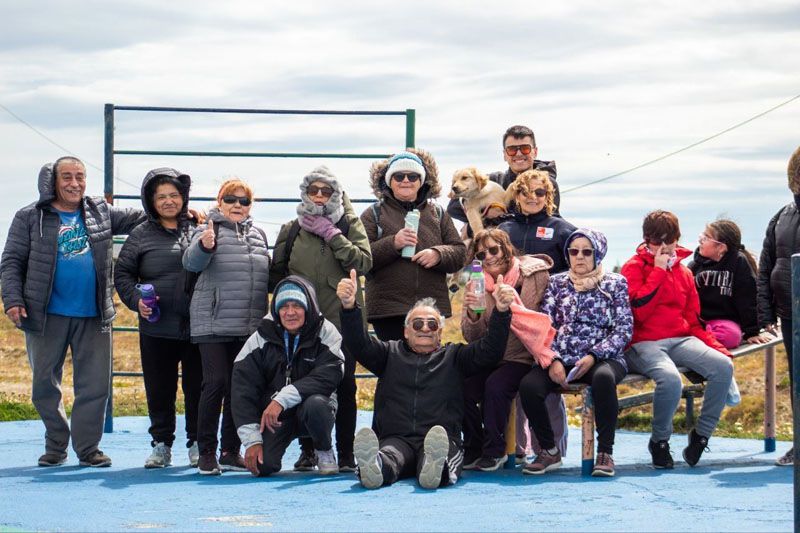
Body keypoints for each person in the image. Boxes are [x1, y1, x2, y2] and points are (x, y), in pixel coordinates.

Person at [0, 157, 145, 467]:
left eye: (80, 176)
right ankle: (56, 443)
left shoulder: (99, 212)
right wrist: (13, 299)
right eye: (67, 177)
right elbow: (12, 261)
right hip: (44, 314)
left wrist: (178, 210)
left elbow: (138, 218)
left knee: (94, 386)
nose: (75, 183)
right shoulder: (29, 216)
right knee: (43, 385)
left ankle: (88, 448)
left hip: (93, 315)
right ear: (52, 181)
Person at [337, 269, 515, 489]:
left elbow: (491, 351)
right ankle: (374, 466)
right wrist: (349, 306)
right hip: (396, 438)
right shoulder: (388, 354)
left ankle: (435, 468)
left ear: (439, 332)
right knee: (389, 457)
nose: (424, 329)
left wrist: (501, 311)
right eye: (417, 324)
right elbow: (359, 344)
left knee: (440, 456)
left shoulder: (455, 357)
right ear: (406, 331)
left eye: (432, 324)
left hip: (439, 439)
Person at [270, 165, 372, 472]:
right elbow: (277, 274)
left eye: (325, 191)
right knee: (305, 384)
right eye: (313, 190)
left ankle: (345, 453)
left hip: (343, 321)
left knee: (345, 386)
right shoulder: (292, 229)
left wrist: (333, 235)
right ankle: (310, 449)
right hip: (303, 325)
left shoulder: (348, 223)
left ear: (335, 194)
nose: (318, 196)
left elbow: (363, 262)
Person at [622, 210, 734, 469]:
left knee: (722, 366)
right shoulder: (633, 268)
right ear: (645, 240)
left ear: (676, 239)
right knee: (670, 379)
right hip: (643, 342)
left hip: (680, 338)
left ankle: (701, 435)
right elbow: (637, 313)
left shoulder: (684, 272)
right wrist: (658, 272)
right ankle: (660, 441)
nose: (662, 248)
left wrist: (718, 350)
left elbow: (694, 320)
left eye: (668, 241)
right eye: (656, 242)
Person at [519, 228, 632, 477]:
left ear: (598, 254)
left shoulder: (615, 284)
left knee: (603, 379)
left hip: (603, 358)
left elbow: (624, 329)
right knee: (529, 385)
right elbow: (546, 326)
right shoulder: (557, 283)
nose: (579, 257)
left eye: (586, 252)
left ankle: (605, 452)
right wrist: (554, 359)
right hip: (562, 356)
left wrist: (594, 355)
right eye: (573, 251)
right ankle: (549, 450)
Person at [114, 168, 203, 469]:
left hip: (198, 327)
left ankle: (197, 443)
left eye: (174, 195)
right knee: (159, 388)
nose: (168, 201)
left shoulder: (198, 228)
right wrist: (136, 301)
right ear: (150, 201)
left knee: (198, 387)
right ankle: (161, 444)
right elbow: (122, 273)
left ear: (184, 198)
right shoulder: (140, 235)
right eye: (161, 196)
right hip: (156, 328)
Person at [460, 228, 568, 471]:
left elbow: (547, 317)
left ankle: (495, 450)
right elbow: (471, 337)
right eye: (480, 255)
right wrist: (473, 314)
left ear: (506, 248)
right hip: (490, 355)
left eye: (493, 249)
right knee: (463, 388)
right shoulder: (477, 283)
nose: (488, 257)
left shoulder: (534, 275)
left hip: (524, 355)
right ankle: (473, 448)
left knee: (496, 386)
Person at [183, 178, 270, 475]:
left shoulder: (258, 235)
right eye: (231, 199)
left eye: (244, 201)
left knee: (238, 388)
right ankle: (206, 450)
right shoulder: (208, 229)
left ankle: (230, 450)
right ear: (220, 202)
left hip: (248, 325)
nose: (237, 205)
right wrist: (205, 247)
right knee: (215, 383)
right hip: (213, 322)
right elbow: (190, 263)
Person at [232, 276, 345, 477]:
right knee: (261, 467)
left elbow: (329, 375)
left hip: (311, 409)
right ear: (276, 310)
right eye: (284, 306)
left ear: (307, 308)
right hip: (276, 419)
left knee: (316, 404)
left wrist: (282, 400)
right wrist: (252, 440)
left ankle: (324, 450)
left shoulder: (326, 331)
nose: (290, 312)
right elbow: (243, 390)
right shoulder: (260, 337)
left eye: (297, 306)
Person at [360, 149, 466, 341]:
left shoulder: (438, 213)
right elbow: (361, 258)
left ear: (422, 181)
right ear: (389, 181)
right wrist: (393, 243)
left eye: (413, 176)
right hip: (388, 310)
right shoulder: (373, 214)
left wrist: (438, 254)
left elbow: (460, 252)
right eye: (399, 176)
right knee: (393, 366)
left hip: (430, 310)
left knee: (427, 364)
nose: (406, 180)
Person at [757, 145, 800, 466]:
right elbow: (766, 265)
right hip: (789, 313)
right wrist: (765, 314)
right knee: (797, 380)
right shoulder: (782, 216)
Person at [447, 124, 560, 224]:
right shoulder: (494, 180)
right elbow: (453, 208)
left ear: (535, 152)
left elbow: (546, 219)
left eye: (525, 148)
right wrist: (485, 211)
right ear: (505, 155)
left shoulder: (548, 183)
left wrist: (499, 215)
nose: (519, 154)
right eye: (512, 150)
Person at [691, 219, 768, 348]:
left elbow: (747, 298)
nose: (700, 240)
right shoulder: (694, 266)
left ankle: (698, 341)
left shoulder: (738, 263)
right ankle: (697, 340)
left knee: (731, 336)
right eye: (702, 236)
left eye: (706, 238)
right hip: (699, 321)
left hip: (724, 322)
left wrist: (751, 332)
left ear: (721, 247)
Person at [497, 169, 576, 273]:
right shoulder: (502, 231)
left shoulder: (563, 230)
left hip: (552, 288)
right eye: (526, 192)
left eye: (539, 193)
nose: (533, 197)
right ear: (517, 196)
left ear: (547, 197)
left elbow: (581, 266)